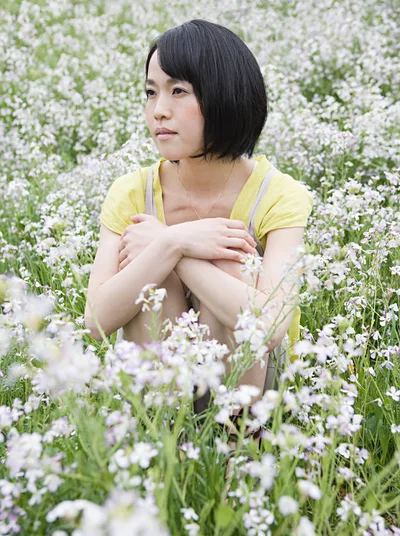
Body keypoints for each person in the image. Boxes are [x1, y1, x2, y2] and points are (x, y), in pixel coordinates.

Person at [85, 19, 313, 413]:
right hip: (163, 391)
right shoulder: (132, 192)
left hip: (254, 387)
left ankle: (236, 455)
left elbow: (270, 328)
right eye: (150, 93)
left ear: (225, 95)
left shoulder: (277, 194)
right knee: (153, 276)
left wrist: (174, 246)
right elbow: (97, 323)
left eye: (178, 91)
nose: (158, 111)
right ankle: (168, 452)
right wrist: (172, 244)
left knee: (230, 259)